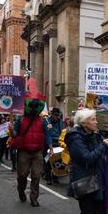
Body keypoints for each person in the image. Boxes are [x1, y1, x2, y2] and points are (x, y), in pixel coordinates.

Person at [65, 108, 108, 214]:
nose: (96, 122)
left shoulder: (95, 135)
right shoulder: (75, 137)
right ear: (84, 123)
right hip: (84, 182)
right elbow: (87, 157)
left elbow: (104, 149)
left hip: (99, 180)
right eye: (93, 119)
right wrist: (103, 146)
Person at [10, 78, 53, 207]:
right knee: (22, 175)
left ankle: (34, 198)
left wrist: (50, 146)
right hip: (23, 151)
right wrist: (11, 131)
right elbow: (15, 135)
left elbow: (47, 134)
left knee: (36, 176)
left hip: (37, 152)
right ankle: (21, 190)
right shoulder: (20, 119)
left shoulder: (42, 120)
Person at [45, 108, 64, 185]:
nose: (57, 117)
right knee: (48, 161)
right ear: (52, 114)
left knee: (57, 161)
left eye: (58, 115)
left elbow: (62, 131)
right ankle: (48, 178)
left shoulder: (60, 122)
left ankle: (55, 176)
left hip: (58, 143)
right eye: (56, 115)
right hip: (48, 143)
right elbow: (47, 134)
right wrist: (50, 146)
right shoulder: (47, 121)